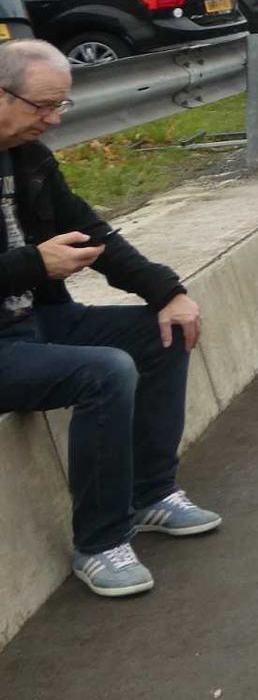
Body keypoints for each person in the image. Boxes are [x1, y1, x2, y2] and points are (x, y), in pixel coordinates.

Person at [0, 40, 220, 600]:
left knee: (162, 332)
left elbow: (92, 232)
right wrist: (32, 265)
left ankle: (151, 493)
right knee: (105, 371)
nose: (53, 120)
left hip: (35, 323)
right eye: (43, 106)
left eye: (61, 106)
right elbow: (35, 261)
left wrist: (167, 291)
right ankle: (99, 543)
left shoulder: (28, 158)